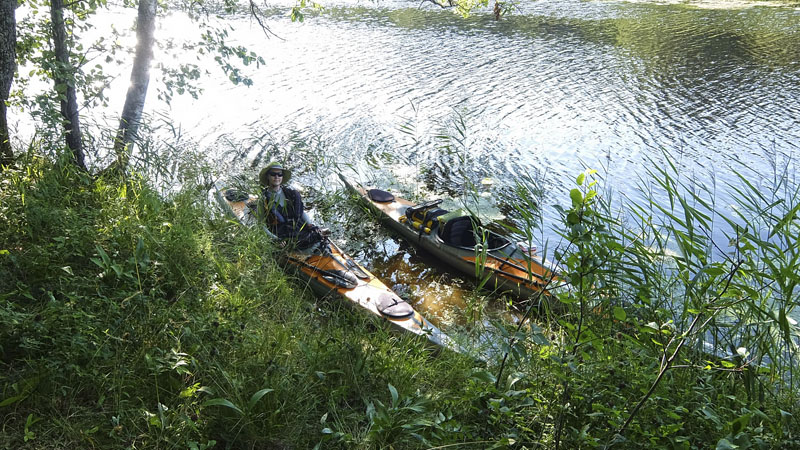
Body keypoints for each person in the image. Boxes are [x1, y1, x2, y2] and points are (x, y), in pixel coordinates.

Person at [257, 162, 320, 248]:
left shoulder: (291, 194)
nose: (277, 177)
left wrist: (310, 225)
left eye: (280, 174)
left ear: (282, 177)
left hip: (298, 228)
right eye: (273, 174)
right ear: (267, 176)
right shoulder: (263, 200)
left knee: (317, 236)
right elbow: (261, 225)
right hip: (281, 234)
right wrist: (275, 239)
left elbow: (301, 213)